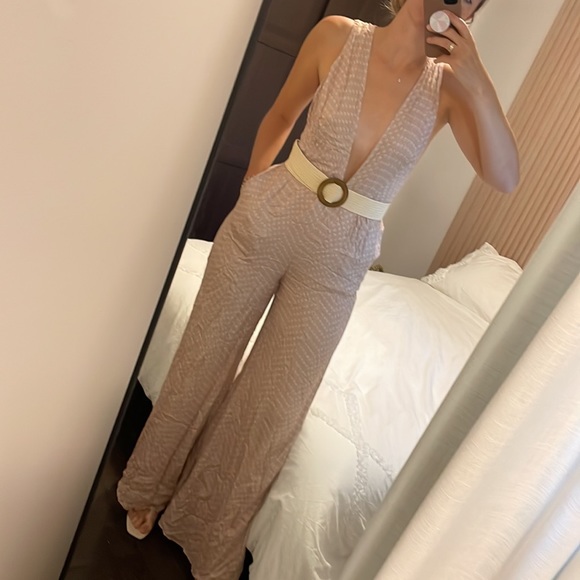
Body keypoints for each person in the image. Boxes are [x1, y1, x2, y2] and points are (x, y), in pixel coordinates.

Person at [117, 0, 519, 578]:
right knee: (203, 356)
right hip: (269, 219)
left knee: (273, 406)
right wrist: (251, 191)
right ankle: (148, 486)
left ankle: (206, 530)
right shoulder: (336, 36)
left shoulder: (452, 91)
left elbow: (506, 177)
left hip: (339, 261)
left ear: (473, 11)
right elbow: (281, 114)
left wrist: (479, 81)